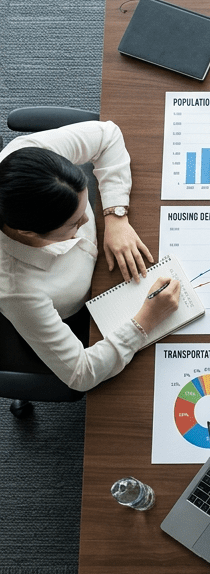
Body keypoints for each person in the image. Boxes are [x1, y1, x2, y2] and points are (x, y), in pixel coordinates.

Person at [0, 119, 179, 392]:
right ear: (28, 233)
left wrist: (115, 215)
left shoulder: (29, 158)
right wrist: (145, 322)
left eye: (84, 206)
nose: (86, 221)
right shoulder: (17, 291)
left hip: (109, 267)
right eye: (73, 224)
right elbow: (81, 374)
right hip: (79, 314)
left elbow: (107, 135)